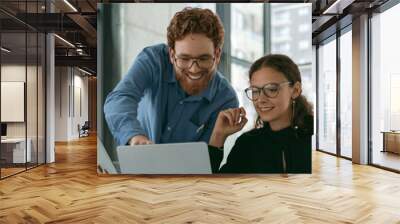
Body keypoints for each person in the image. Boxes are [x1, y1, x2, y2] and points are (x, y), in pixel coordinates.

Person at [104, 7, 239, 146]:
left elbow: (206, 158)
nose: (193, 69)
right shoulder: (153, 60)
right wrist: (134, 135)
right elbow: (119, 99)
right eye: (184, 59)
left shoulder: (225, 99)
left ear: (216, 55)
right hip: (137, 162)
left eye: (203, 59)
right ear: (172, 54)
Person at [208, 54, 314, 173]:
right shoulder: (247, 145)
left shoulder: (316, 140)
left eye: (272, 89)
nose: (261, 99)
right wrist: (218, 135)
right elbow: (210, 188)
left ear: (295, 90)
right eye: (255, 91)